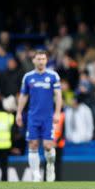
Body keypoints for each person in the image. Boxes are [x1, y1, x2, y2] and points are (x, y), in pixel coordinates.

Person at [16, 50, 63, 182]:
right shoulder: (28, 77)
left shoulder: (53, 76)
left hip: (47, 117)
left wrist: (58, 112)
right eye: (38, 59)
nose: (41, 61)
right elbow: (23, 96)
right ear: (34, 60)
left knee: (48, 145)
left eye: (43, 59)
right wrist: (19, 113)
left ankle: (50, 166)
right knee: (33, 144)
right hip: (33, 117)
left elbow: (58, 95)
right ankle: (36, 174)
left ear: (46, 60)